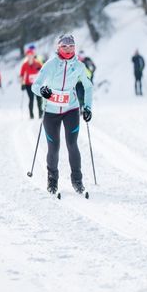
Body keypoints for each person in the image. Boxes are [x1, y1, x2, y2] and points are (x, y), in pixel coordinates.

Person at [31, 34, 93, 195]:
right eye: (64, 46)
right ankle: (52, 182)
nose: (68, 49)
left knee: (72, 145)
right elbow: (35, 86)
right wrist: (42, 91)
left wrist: (87, 107)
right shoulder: (50, 65)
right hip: (51, 112)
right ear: (58, 47)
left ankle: (77, 181)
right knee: (54, 147)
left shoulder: (79, 66)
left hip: (71, 109)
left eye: (71, 45)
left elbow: (88, 86)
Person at [20, 49, 43, 119]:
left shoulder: (37, 63)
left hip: (37, 84)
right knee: (31, 99)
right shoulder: (25, 64)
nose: (30, 57)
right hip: (28, 85)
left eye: (31, 55)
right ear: (27, 56)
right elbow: (22, 75)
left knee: (39, 99)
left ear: (33, 55)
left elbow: (43, 72)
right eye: (28, 55)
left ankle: (40, 113)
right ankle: (31, 114)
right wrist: (22, 84)